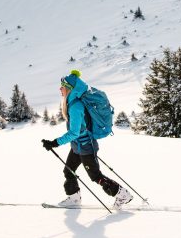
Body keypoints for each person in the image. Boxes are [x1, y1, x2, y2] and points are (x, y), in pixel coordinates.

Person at [41, 71, 133, 209]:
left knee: (96, 176)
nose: (60, 89)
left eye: (62, 86)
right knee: (68, 171)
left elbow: (74, 133)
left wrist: (54, 143)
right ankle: (74, 198)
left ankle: (122, 194)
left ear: (69, 88)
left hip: (86, 146)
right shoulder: (72, 103)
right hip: (77, 146)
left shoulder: (75, 107)